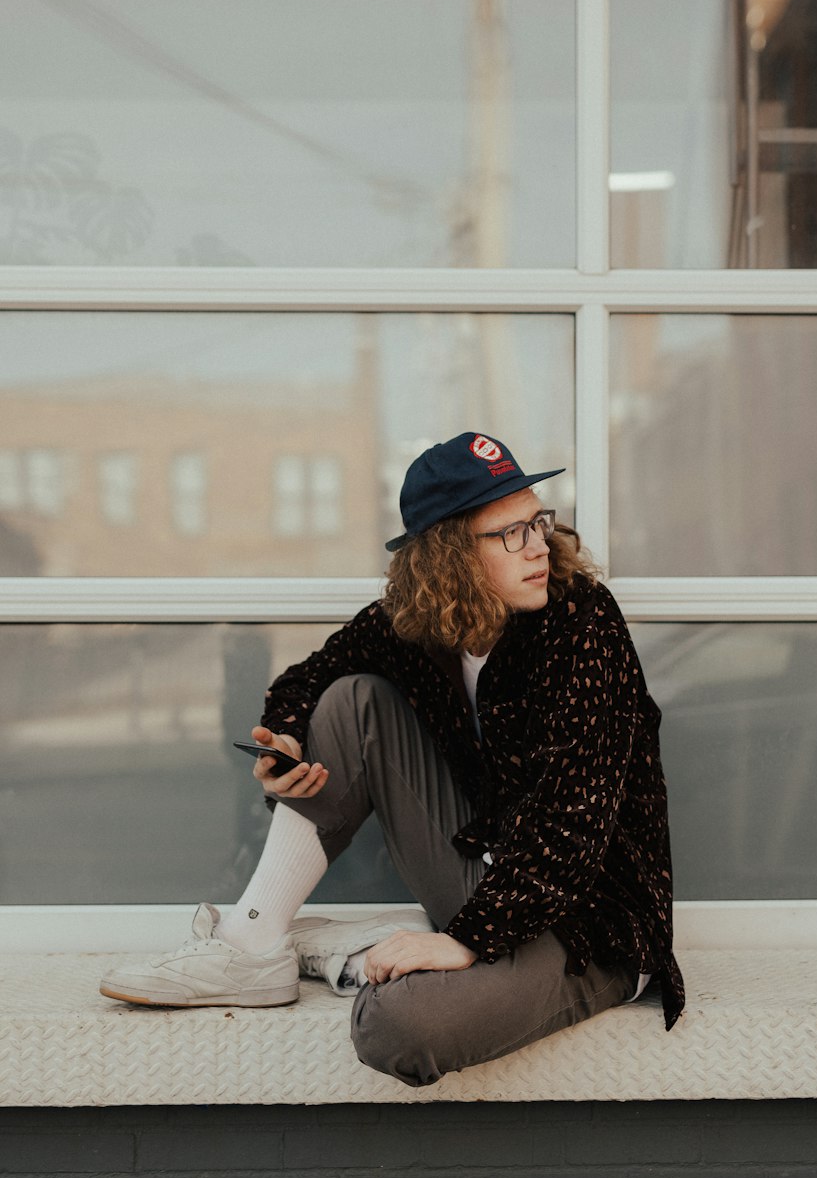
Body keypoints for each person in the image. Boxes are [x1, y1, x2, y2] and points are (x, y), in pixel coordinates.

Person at [101, 433, 684, 1086]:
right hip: (486, 878)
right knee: (351, 700)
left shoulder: (581, 624)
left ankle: (352, 956)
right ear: (450, 555)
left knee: (398, 1026)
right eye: (510, 532)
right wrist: (286, 740)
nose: (539, 546)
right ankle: (251, 946)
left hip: (586, 929)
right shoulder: (419, 620)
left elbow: (572, 822)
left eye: (537, 521)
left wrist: (464, 941)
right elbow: (313, 676)